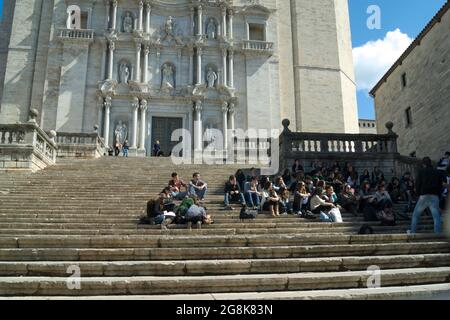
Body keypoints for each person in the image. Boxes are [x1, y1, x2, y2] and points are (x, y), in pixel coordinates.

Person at [410, 157, 446, 234]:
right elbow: (441, 185)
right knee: (436, 217)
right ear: (430, 163)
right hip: (434, 196)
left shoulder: (421, 171)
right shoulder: (437, 172)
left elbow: (417, 184)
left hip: (424, 195)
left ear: (423, 164)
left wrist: (418, 194)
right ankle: (437, 233)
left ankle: (413, 232)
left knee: (415, 215)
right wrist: (438, 194)